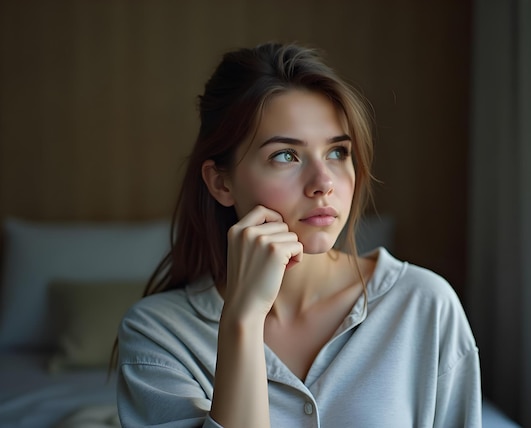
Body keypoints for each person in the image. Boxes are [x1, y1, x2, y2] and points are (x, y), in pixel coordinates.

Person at [115, 42, 482, 427]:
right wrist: (242, 319)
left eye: (338, 153)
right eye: (286, 155)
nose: (323, 183)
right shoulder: (157, 336)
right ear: (221, 183)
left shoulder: (424, 305)